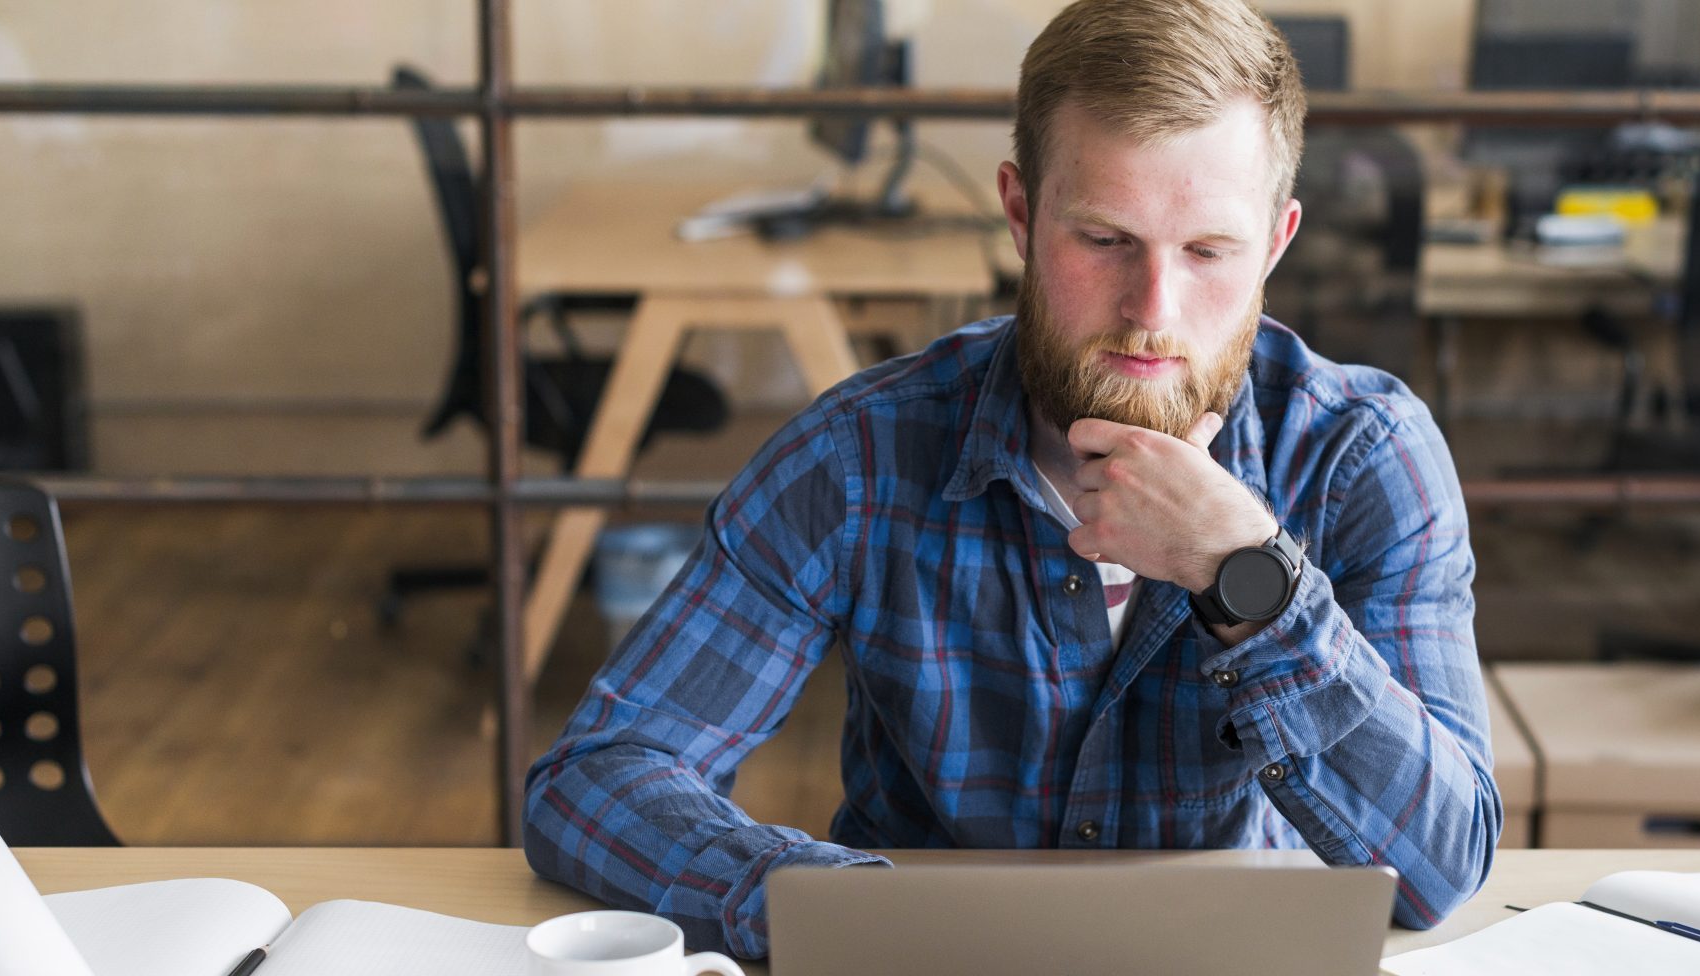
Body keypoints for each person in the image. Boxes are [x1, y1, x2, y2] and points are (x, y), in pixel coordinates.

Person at [523, 0, 1499, 959]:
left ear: (1277, 243)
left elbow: (1439, 867)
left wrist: (1247, 573)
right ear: (1023, 215)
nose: (1152, 310)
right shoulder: (860, 453)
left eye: (1209, 251)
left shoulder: (1362, 456)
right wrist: (843, 908)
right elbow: (599, 776)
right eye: (1106, 240)